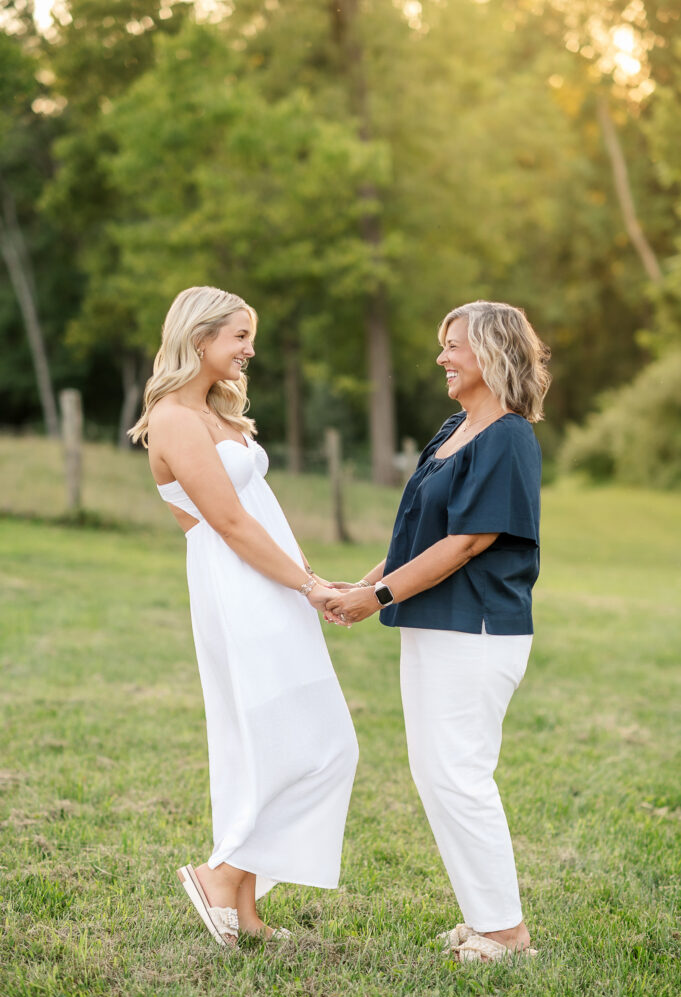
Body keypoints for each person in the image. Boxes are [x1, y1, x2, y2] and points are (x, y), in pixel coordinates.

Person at [130, 286, 358, 948]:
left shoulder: (213, 414)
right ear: (198, 340)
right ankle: (219, 874)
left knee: (273, 741)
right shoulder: (174, 417)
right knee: (320, 745)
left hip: (269, 583)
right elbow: (224, 523)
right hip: (242, 588)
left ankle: (247, 912)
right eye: (238, 336)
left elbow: (252, 512)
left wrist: (299, 578)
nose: (249, 349)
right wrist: (309, 585)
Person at [327, 300, 550, 962]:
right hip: (430, 624)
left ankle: (506, 934)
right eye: (440, 345)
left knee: (458, 773)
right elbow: (415, 536)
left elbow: (466, 542)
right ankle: (487, 919)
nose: (440, 357)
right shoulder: (454, 427)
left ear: (492, 352)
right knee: (436, 773)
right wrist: (362, 584)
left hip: (476, 629)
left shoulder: (507, 435)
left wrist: (379, 596)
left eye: (453, 345)